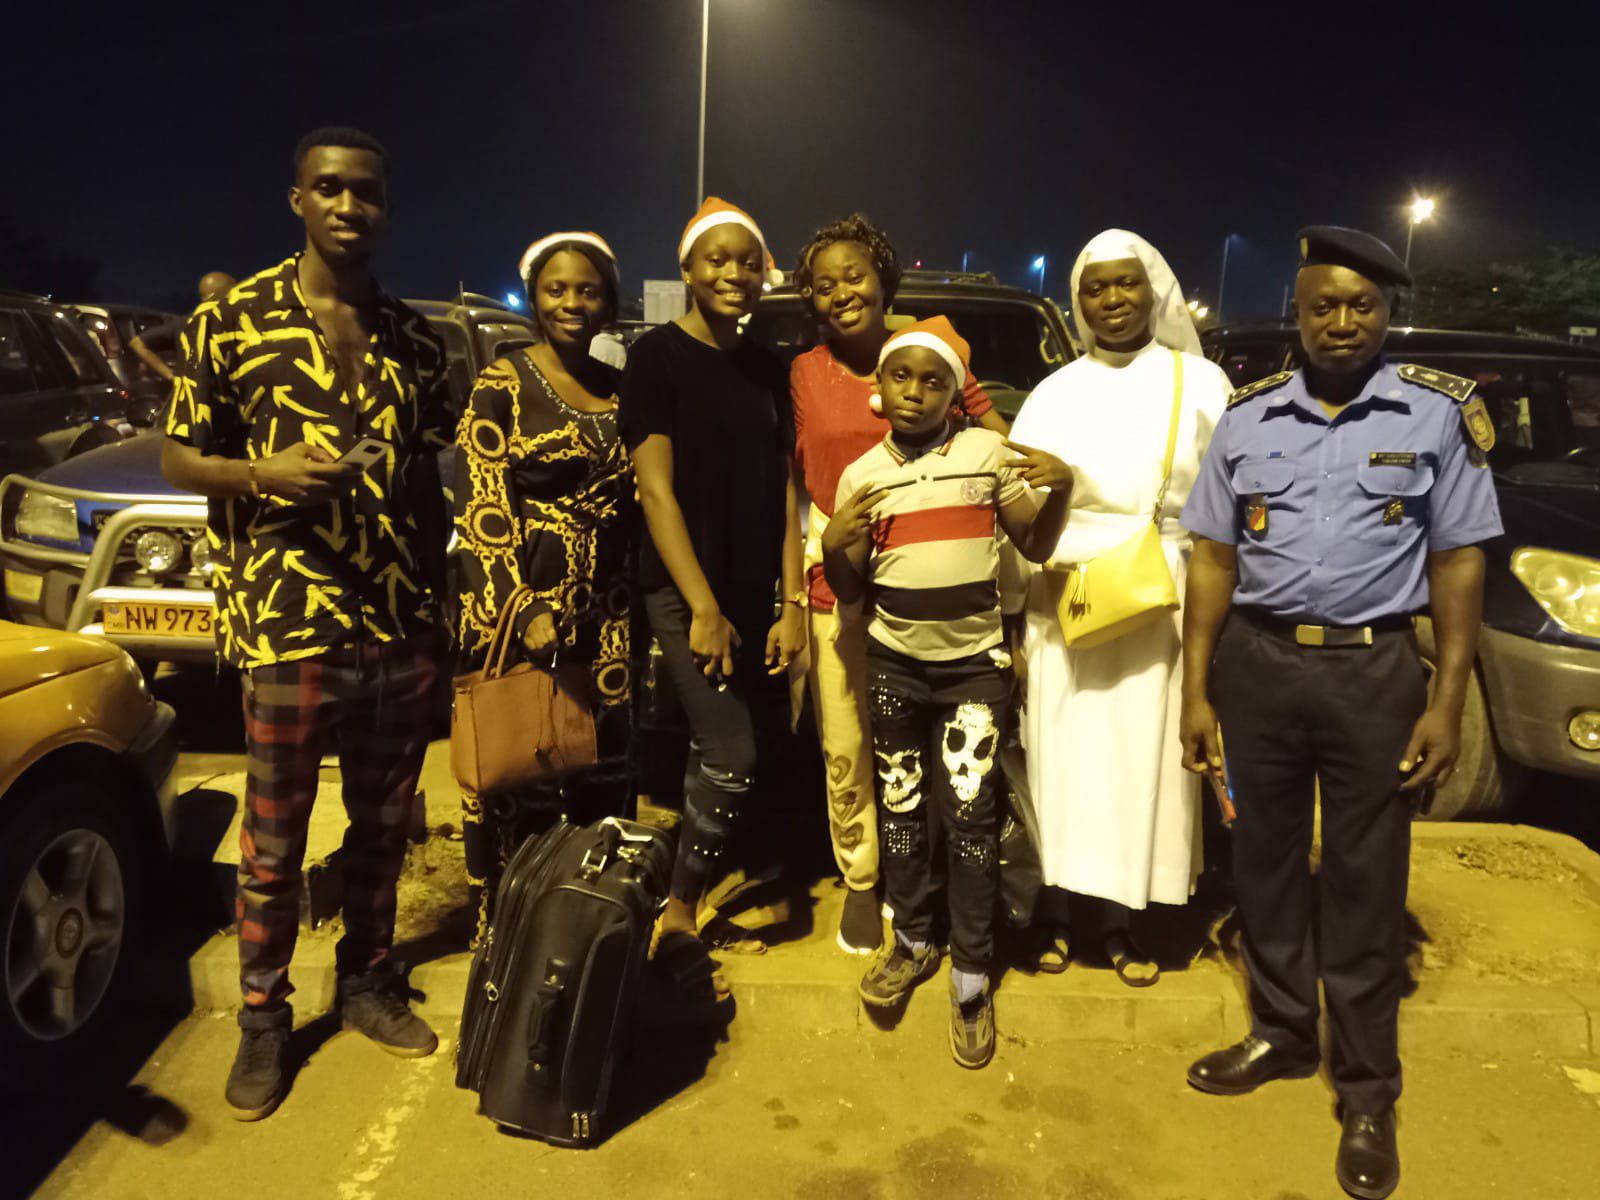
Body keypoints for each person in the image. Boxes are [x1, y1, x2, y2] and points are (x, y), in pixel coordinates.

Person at [1178, 227, 1502, 1200]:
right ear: (1297, 311)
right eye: (1323, 304)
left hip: (1373, 674)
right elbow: (1212, 559)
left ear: (1387, 312)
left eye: (1362, 304)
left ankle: (1366, 1090)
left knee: (1365, 883)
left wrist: (1446, 699)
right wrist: (1196, 688)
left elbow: (1458, 561)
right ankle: (1282, 1033)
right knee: (1264, 865)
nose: (1343, 321)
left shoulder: (1436, 414)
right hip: (1259, 667)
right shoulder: (1246, 419)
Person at [162, 126, 454, 1121]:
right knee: (274, 838)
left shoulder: (416, 339)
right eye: (328, 188)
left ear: (386, 207)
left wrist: (437, 607)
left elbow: (431, 478)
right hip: (288, 620)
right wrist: (260, 473)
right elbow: (178, 456)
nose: (347, 205)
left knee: (382, 824)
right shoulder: (232, 319)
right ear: (298, 199)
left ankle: (367, 980)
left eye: (365, 192)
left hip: (396, 620)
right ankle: (262, 1018)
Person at [822, 316, 1072, 1069]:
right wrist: (834, 544)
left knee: (970, 819)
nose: (915, 392)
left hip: (971, 673)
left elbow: (1036, 543)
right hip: (895, 669)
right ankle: (912, 940)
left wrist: (1062, 490)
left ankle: (971, 968)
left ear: (956, 394)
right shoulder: (862, 477)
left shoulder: (986, 455)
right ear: (879, 386)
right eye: (901, 376)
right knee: (901, 811)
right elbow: (850, 591)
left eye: (934, 381)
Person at [1007, 230, 1232, 985]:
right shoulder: (1053, 393)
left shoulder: (1200, 383)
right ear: (1078, 301)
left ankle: (1122, 921)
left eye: (1125, 283)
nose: (1112, 299)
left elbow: (1226, 508)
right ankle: (1057, 913)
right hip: (1067, 600)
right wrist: (1014, 618)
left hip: (1159, 597)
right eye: (1095, 287)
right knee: (1062, 761)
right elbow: (1015, 510)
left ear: (1153, 288)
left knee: (1142, 763)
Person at [790, 213, 1006, 955]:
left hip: (937, 573)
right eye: (824, 284)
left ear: (884, 280)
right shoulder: (806, 371)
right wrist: (799, 581)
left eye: (855, 276)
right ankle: (861, 877)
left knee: (934, 750)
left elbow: (996, 448)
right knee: (849, 741)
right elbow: (794, 479)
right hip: (842, 570)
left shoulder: (928, 353)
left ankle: (928, 880)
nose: (841, 292)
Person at [621, 197, 806, 992]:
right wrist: (701, 607)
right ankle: (677, 911)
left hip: (755, 589)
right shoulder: (656, 357)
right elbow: (655, 491)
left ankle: (688, 891)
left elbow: (787, 493)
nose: (735, 273)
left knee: (717, 750)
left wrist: (792, 604)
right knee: (733, 754)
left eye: (748, 261)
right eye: (717, 260)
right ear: (688, 269)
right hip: (684, 589)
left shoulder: (770, 367)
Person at [454, 231, 632, 939]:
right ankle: (507, 935)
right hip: (519, 605)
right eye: (556, 290)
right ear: (534, 298)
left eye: (587, 291)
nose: (572, 303)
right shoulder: (502, 384)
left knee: (598, 766)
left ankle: (586, 929)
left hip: (604, 611)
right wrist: (522, 605)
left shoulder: (618, 388)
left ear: (607, 302)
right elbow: (481, 506)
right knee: (517, 765)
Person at [130, 272, 237, 381]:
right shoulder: (233, 321)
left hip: (191, 389)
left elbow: (137, 343)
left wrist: (171, 376)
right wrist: (170, 376)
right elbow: (137, 343)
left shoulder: (183, 323)